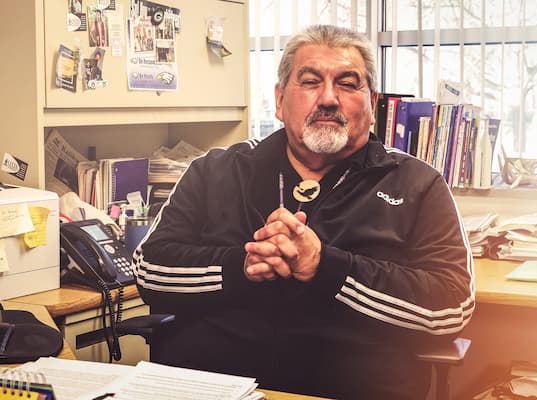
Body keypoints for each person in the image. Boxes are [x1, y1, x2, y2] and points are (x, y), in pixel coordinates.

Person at [134, 24, 474, 400]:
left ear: (371, 103)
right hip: (212, 388)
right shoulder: (216, 170)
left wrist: (327, 268)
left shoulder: (416, 184)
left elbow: (451, 307)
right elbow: (150, 271)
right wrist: (242, 266)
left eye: (347, 84)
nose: (329, 98)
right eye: (310, 82)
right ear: (280, 101)